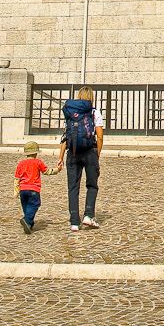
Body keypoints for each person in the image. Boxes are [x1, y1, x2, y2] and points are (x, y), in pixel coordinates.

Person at [57, 85, 104, 232]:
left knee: (73, 187)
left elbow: (66, 136)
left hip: (73, 152)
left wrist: (60, 157)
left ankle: (74, 222)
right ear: (91, 97)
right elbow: (100, 136)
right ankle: (88, 215)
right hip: (90, 151)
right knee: (92, 185)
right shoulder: (94, 112)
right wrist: (97, 154)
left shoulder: (71, 113)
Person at [14, 140, 60, 234]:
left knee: (26, 206)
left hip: (23, 189)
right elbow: (46, 171)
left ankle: (29, 224)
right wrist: (57, 170)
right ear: (36, 153)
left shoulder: (21, 164)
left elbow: (16, 178)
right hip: (33, 189)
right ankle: (26, 220)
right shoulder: (38, 162)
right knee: (35, 204)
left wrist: (16, 191)